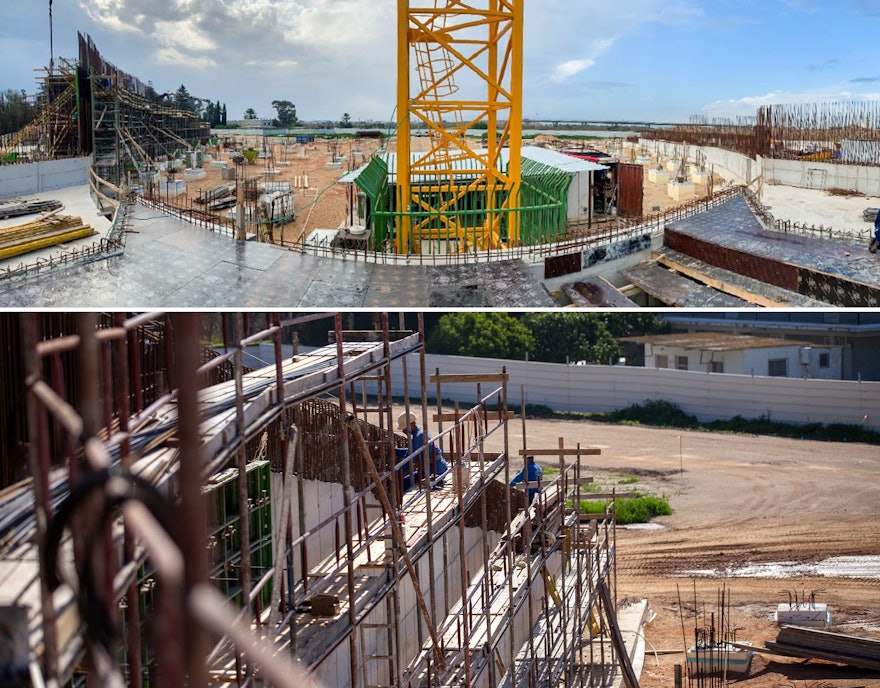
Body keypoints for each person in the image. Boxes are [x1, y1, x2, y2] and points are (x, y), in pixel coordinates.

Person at [396, 412, 449, 490]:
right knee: (407, 481)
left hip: (434, 470)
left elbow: (408, 460)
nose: (403, 431)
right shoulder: (421, 431)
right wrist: (395, 451)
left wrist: (395, 474)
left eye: (404, 428)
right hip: (437, 466)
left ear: (411, 425)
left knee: (403, 483)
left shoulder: (418, 438)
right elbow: (412, 451)